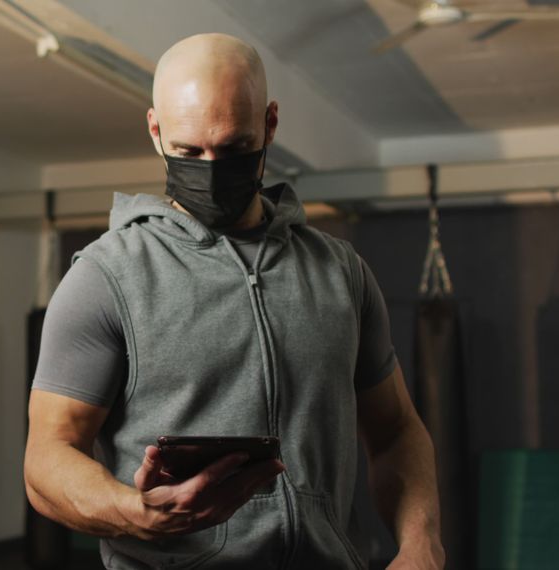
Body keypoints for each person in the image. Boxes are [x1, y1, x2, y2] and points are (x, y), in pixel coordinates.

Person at [24, 33, 445, 569]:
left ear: (269, 124)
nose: (211, 167)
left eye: (234, 148)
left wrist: (421, 542)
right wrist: (137, 511)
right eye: (188, 150)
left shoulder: (340, 273)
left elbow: (396, 430)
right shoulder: (106, 278)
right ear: (155, 130)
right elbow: (47, 457)